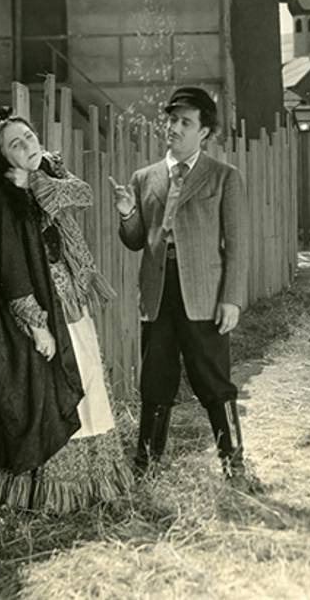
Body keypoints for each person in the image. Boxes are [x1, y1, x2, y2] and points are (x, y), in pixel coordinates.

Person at [0, 108, 131, 514]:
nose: (27, 145)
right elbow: (10, 269)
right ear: (2, 155)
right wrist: (38, 326)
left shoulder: (47, 176)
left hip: (71, 299)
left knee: (89, 376)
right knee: (57, 387)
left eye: (29, 136)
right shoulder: (1, 198)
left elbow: (82, 194)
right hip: (41, 310)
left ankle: (96, 479)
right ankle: (56, 490)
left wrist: (38, 175)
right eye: (15, 144)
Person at [108, 87, 251, 484]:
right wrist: (127, 213)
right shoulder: (145, 178)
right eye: (172, 120)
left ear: (204, 132)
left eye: (186, 122)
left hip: (204, 296)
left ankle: (233, 464)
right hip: (157, 296)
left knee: (214, 382)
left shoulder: (224, 177)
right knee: (155, 381)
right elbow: (137, 240)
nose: (174, 128)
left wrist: (232, 300)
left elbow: (237, 244)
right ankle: (146, 469)